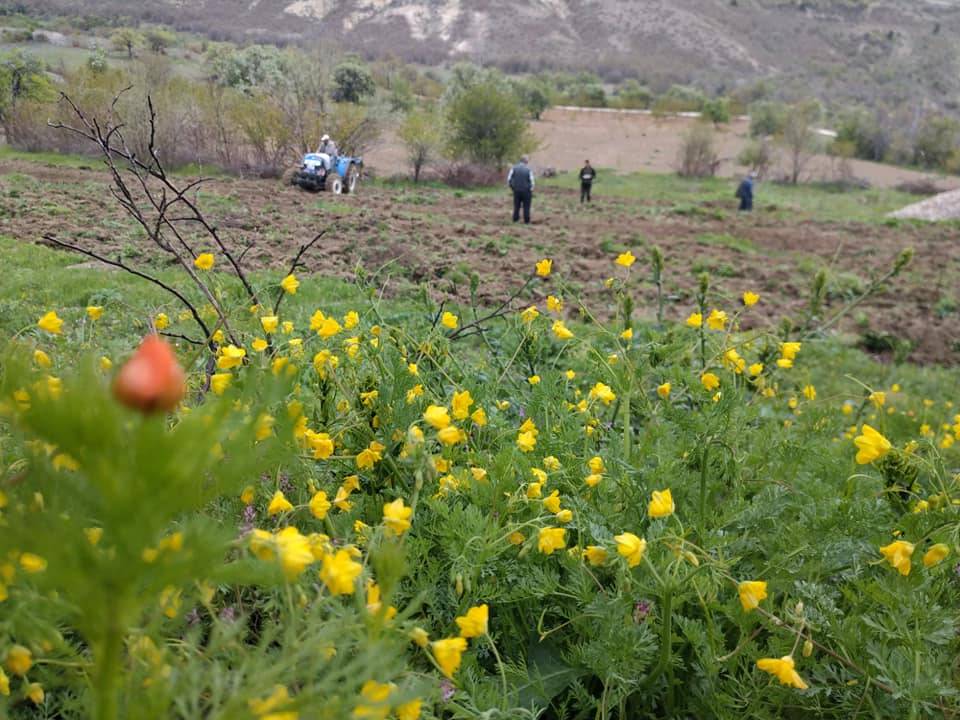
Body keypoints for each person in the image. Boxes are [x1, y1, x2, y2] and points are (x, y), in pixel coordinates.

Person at [507, 156, 535, 224]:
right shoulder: (528, 170)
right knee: (526, 206)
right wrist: (531, 189)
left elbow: (509, 179)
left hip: (516, 190)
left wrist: (513, 188)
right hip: (526, 191)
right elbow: (532, 182)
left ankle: (515, 220)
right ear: (526, 161)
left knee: (516, 206)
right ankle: (526, 221)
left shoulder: (514, 168)